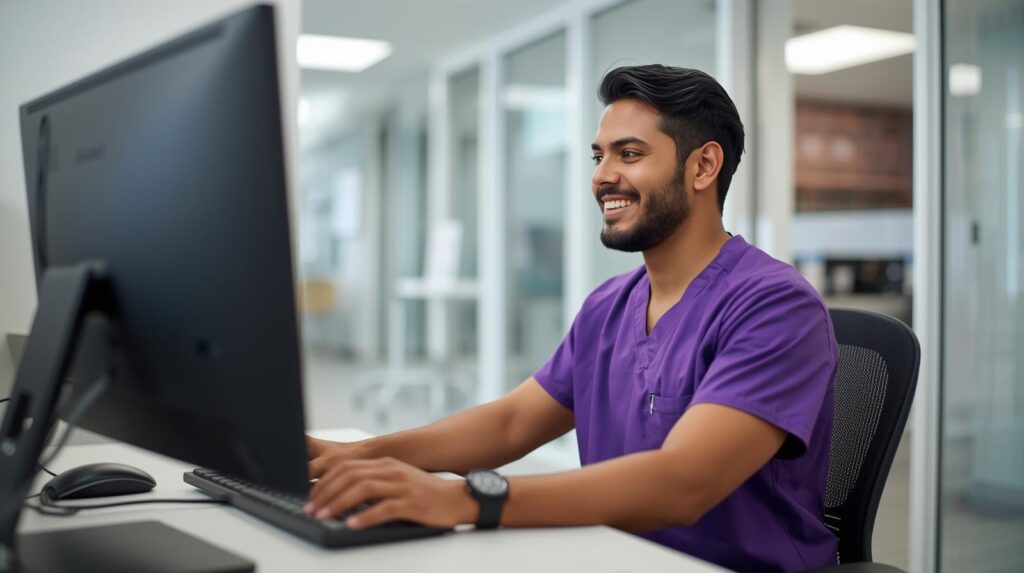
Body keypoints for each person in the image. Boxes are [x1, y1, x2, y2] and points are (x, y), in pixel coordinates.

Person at [304, 65, 838, 572]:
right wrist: (360, 454)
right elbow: (513, 422)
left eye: (629, 154)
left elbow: (683, 483)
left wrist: (465, 499)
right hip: (611, 555)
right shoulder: (608, 305)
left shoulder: (775, 307)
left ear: (703, 166)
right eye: (598, 156)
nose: (604, 177)